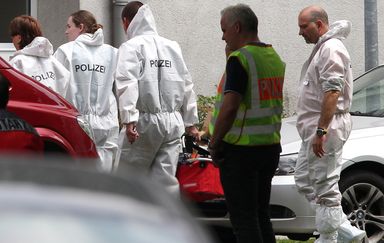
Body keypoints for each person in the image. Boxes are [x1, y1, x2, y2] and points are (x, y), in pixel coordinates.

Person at [208, 4, 285, 243]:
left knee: (243, 220)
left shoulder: (240, 59)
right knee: (261, 215)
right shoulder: (272, 56)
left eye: (224, 30)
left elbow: (230, 106)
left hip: (241, 150)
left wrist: (214, 143)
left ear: (237, 27)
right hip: (269, 147)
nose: (222, 36)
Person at [295, 6, 366, 243]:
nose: (300, 32)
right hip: (317, 128)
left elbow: (333, 92)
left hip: (327, 127)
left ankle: (329, 237)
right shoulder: (323, 48)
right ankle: (348, 232)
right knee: (305, 180)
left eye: (304, 27)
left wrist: (321, 130)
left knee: (325, 186)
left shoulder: (331, 49)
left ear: (320, 24)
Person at [115, 1, 200, 194]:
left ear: (126, 22)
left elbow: (127, 82)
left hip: (143, 123)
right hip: (172, 123)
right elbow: (186, 84)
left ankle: (128, 222)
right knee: (165, 184)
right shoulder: (172, 46)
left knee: (128, 182)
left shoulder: (131, 47)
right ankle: (165, 222)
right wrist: (191, 122)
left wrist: (129, 119)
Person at [54, 10, 119, 172]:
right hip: (107, 124)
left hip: (77, 123)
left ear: (81, 27)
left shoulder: (65, 51)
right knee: (105, 177)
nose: (66, 31)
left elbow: (55, 88)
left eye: (69, 26)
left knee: (80, 177)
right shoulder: (112, 52)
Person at [9, 15, 69, 98]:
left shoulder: (17, 62)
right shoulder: (52, 60)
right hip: (55, 109)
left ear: (19, 38)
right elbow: (65, 82)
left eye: (12, 35)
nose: (11, 39)